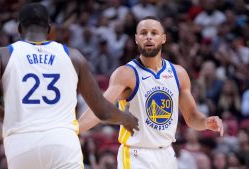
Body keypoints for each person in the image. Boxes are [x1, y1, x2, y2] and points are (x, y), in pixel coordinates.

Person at [0, 3, 138, 169]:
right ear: (49, 29)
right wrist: (126, 119)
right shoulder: (73, 57)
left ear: (20, 29)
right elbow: (102, 110)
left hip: (21, 143)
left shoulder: (3, 54)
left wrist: (5, 116)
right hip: (62, 142)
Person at [78, 16, 224, 169]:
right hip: (136, 155)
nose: (148, 36)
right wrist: (74, 129)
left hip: (167, 154)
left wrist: (205, 122)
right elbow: (100, 108)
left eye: (154, 33)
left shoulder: (178, 74)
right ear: (136, 39)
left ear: (163, 39)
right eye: (143, 33)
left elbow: (192, 117)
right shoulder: (126, 73)